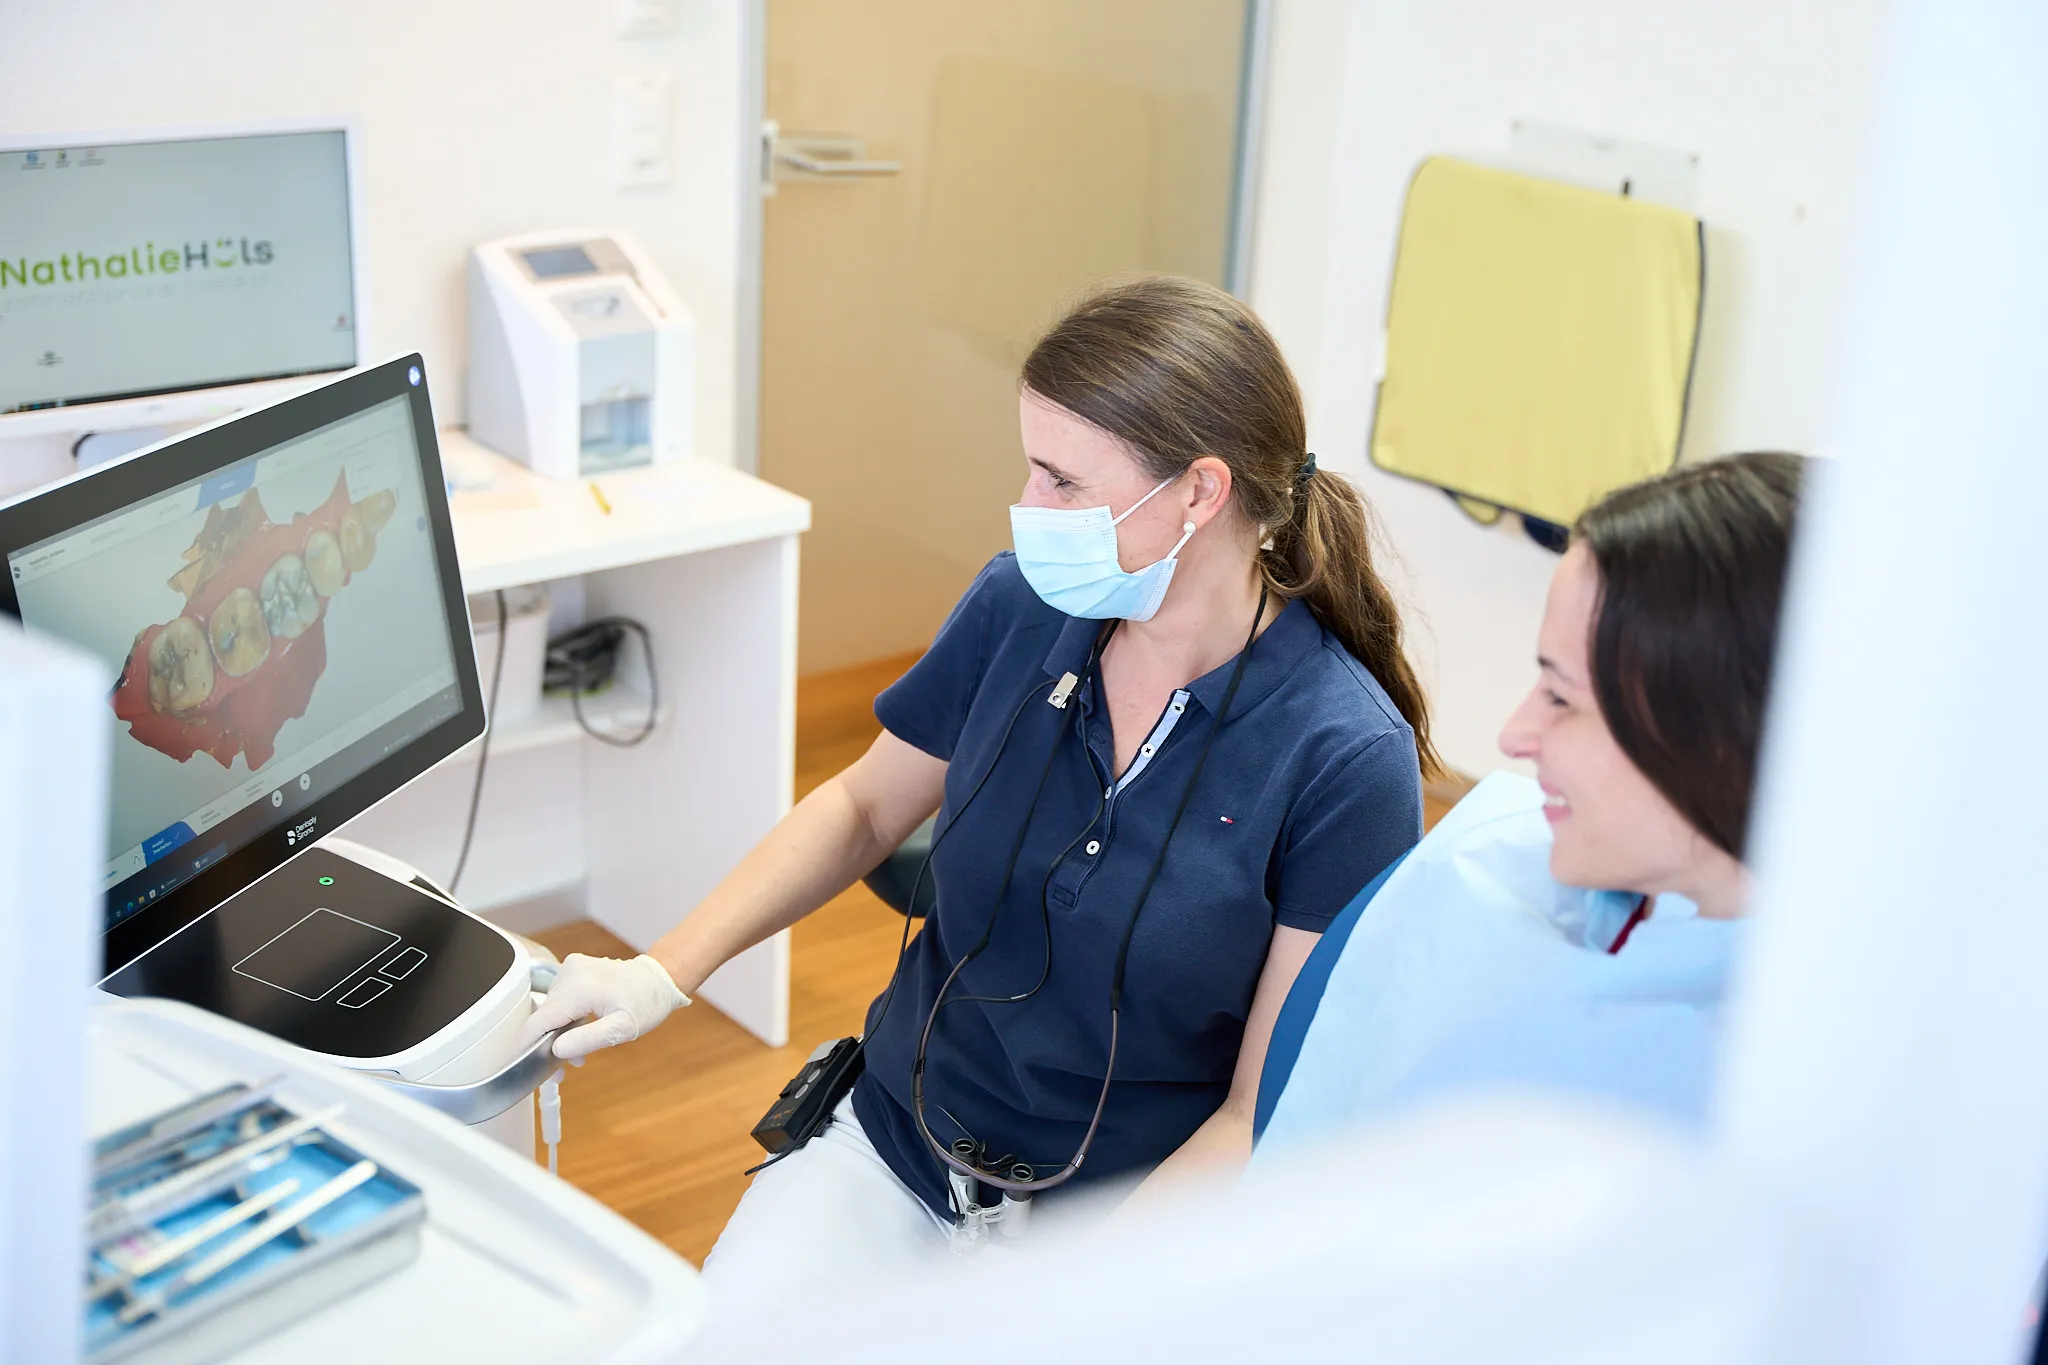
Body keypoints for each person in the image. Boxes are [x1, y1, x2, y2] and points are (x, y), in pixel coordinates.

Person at [523, 276, 1438, 1302]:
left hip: (1124, 1232)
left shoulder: (1342, 755)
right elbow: (863, 809)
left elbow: (1250, 1113)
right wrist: (659, 973)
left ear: (1199, 492)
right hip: (900, 1146)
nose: (1028, 507)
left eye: (1062, 480)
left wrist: (1077, 1298)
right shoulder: (1019, 609)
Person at [1252, 451, 1805, 1156]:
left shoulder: (1818, 1082)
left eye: (1563, 698)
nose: (1514, 736)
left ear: (1729, 736)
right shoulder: (1481, 865)